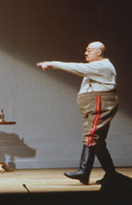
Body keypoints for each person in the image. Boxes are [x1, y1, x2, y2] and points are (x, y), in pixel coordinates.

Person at [37, 41, 120, 185]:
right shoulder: (95, 67)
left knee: (91, 136)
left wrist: (52, 64)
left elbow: (77, 67)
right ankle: (112, 175)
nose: (85, 53)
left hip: (100, 103)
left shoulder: (103, 66)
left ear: (99, 52)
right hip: (94, 104)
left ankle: (84, 172)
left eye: (89, 50)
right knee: (97, 141)